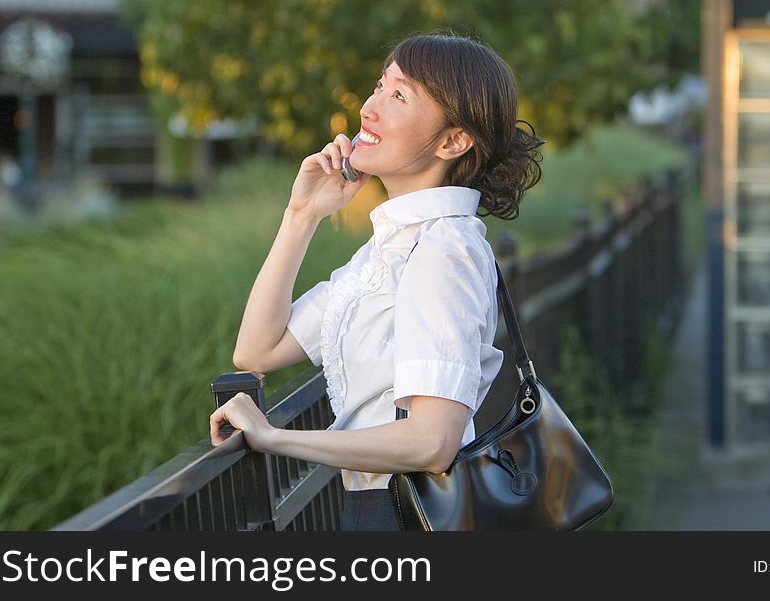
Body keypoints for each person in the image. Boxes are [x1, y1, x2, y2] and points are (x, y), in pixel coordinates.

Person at [209, 32, 544, 530]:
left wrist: (275, 438)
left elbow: (433, 442)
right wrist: (302, 214)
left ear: (452, 141)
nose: (369, 108)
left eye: (399, 96)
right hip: (380, 509)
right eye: (379, 86)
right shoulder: (391, 248)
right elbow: (256, 352)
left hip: (407, 513)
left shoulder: (442, 249)